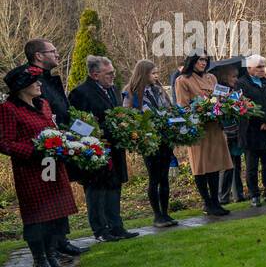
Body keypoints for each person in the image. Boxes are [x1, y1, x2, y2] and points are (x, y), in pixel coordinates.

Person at [1, 64, 79, 267]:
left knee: (56, 212)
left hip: (53, 165)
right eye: (33, 81)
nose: (38, 84)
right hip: (31, 170)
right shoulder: (9, 109)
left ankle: (52, 256)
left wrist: (62, 142)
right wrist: (35, 150)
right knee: (37, 216)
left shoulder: (43, 104)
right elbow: (5, 142)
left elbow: (51, 130)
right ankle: (40, 260)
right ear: (21, 87)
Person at [23, 39, 81, 257]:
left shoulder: (48, 80)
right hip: (42, 148)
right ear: (39, 55)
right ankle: (51, 246)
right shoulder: (31, 79)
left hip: (58, 142)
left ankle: (61, 239)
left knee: (59, 191)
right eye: (53, 51)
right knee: (48, 195)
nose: (57, 54)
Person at [70, 54, 138, 238]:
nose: (113, 76)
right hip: (96, 150)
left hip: (115, 149)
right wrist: (96, 136)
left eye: (113, 72)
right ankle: (100, 230)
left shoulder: (113, 90)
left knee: (114, 187)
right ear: (94, 75)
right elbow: (77, 123)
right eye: (109, 73)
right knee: (96, 191)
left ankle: (117, 227)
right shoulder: (80, 93)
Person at [173, 50, 235, 217]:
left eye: (206, 60)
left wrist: (224, 104)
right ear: (192, 61)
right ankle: (207, 202)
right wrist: (202, 110)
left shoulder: (211, 78)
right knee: (201, 167)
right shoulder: (182, 80)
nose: (203, 63)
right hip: (198, 129)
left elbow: (218, 98)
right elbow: (183, 107)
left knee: (214, 166)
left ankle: (215, 202)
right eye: (200, 60)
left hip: (214, 127)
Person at [122, 58, 179, 227]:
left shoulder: (158, 90)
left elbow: (168, 107)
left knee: (164, 178)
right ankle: (157, 215)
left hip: (164, 137)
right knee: (154, 177)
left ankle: (166, 213)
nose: (156, 76)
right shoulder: (131, 92)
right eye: (153, 73)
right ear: (143, 74)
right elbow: (129, 115)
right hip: (149, 139)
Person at [236, 55, 266, 206]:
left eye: (263, 66)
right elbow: (248, 108)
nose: (263, 69)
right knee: (252, 166)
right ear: (249, 68)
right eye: (259, 67)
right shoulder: (241, 84)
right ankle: (254, 195)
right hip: (252, 131)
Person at [215, 63, 245, 205]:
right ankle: (223, 196)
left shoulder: (236, 89)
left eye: (237, 76)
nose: (236, 79)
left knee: (236, 163)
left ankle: (238, 194)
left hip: (236, 131)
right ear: (225, 77)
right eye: (233, 76)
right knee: (227, 166)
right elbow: (218, 110)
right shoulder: (219, 90)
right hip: (226, 131)